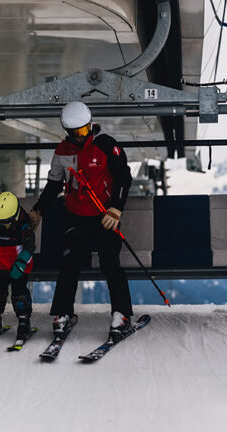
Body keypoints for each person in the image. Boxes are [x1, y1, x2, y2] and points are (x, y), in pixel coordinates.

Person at [28, 101, 134, 342]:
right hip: (76, 216)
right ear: (68, 132)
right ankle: (62, 315)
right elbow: (54, 184)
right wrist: (38, 211)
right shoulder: (62, 153)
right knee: (70, 263)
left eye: (86, 129)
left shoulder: (106, 145)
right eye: (77, 132)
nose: (82, 135)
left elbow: (123, 177)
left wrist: (116, 209)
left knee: (110, 264)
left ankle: (121, 315)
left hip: (105, 216)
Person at [0, 191, 36, 340]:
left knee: (19, 293)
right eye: (0, 221)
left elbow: (29, 248)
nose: (3, 225)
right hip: (2, 264)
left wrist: (21, 263)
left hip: (19, 266)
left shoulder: (25, 228)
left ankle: (24, 321)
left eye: (6, 221)